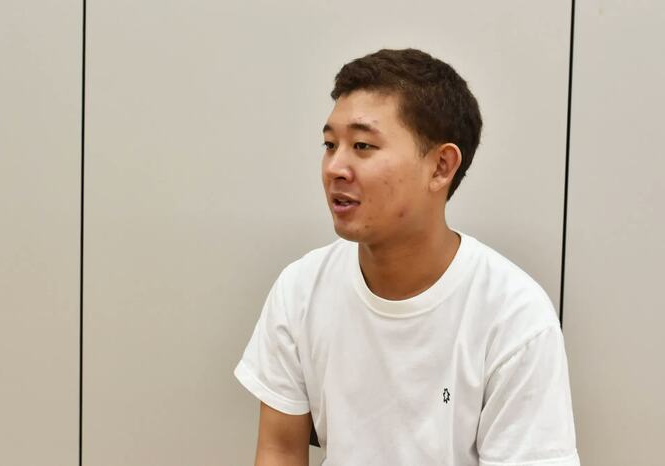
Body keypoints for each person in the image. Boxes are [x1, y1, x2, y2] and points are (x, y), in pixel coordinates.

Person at [233, 48, 580, 466]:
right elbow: (280, 450)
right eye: (329, 144)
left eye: (362, 145)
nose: (334, 167)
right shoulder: (301, 289)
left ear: (441, 167)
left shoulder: (514, 316)